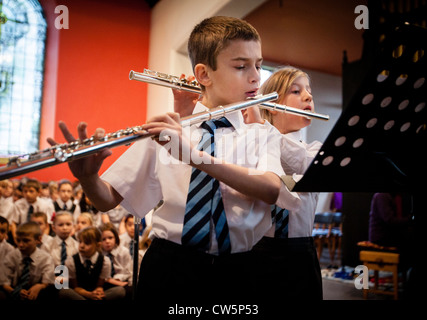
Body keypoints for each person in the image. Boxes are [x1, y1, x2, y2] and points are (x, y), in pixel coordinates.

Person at [48, 16, 300, 304]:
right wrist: (89, 178)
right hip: (169, 266)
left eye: (258, 64)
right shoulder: (170, 129)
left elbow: (270, 189)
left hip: (241, 269)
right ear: (203, 74)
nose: (256, 77)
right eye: (241, 66)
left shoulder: (261, 133)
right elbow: (106, 199)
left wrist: (193, 156)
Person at [245, 66, 323, 300]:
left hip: (302, 254)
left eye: (309, 91)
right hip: (259, 251)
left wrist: (262, 129)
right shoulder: (253, 145)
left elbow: (299, 162)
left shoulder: (314, 150)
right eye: (296, 91)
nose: (308, 96)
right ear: (271, 106)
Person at [59, 226, 125, 300]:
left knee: (120, 291)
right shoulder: (71, 261)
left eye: (87, 243)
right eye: (80, 242)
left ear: (98, 245)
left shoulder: (104, 261)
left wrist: (98, 291)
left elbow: (99, 285)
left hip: (94, 293)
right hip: (80, 294)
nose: (81, 246)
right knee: (64, 292)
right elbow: (75, 287)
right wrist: (89, 294)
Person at [0, 221, 55, 300]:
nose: (20, 245)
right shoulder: (12, 256)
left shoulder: (46, 258)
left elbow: (47, 282)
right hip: (14, 292)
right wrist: (15, 291)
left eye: (26, 241)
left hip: (39, 294)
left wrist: (40, 286)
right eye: (18, 240)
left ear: (38, 239)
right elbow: (4, 282)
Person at [9, 179, 55, 244]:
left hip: (39, 235)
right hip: (22, 235)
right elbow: (14, 223)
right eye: (25, 191)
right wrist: (16, 239)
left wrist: (42, 241)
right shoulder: (18, 204)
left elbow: (47, 225)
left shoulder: (46, 205)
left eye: (31, 191)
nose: (27, 194)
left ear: (38, 192)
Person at [100, 223, 132, 298]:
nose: (107, 241)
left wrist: (116, 280)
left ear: (116, 238)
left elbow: (128, 272)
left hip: (121, 280)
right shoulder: (99, 253)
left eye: (110, 238)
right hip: (104, 283)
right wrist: (109, 280)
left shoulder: (124, 251)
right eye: (103, 239)